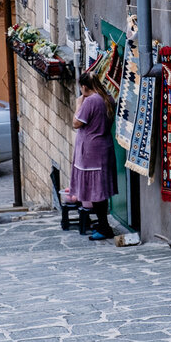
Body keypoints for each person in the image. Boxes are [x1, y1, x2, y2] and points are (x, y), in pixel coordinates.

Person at [70, 71, 118, 240]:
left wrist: (78, 104)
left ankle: (104, 227)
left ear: (84, 87)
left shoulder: (90, 101)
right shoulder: (107, 97)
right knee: (100, 190)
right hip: (104, 146)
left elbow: (76, 123)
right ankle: (103, 224)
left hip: (91, 150)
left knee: (96, 192)